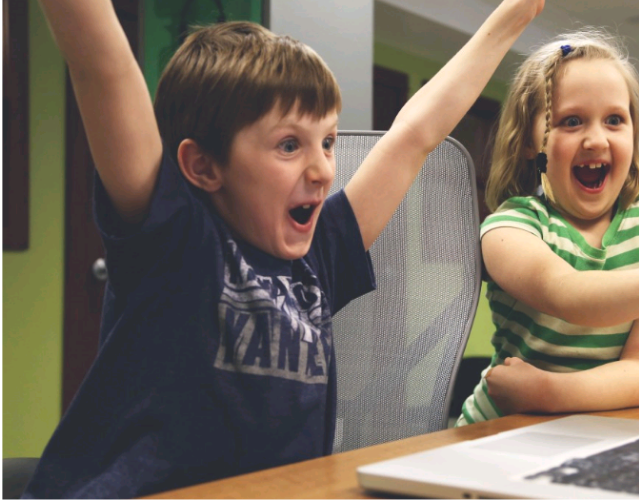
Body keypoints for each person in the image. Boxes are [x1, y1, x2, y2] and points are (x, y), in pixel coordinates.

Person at [26, 0, 545, 497]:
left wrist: (516, 11)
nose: (322, 170)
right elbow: (103, 65)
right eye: (289, 145)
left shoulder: (321, 254)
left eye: (327, 142)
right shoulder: (174, 235)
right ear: (203, 167)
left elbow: (415, 134)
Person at [456, 30, 639, 426]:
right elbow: (565, 293)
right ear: (530, 141)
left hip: (596, 430)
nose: (596, 139)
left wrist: (547, 393)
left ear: (633, 133)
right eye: (571, 121)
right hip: (498, 431)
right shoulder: (509, 226)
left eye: (615, 120)